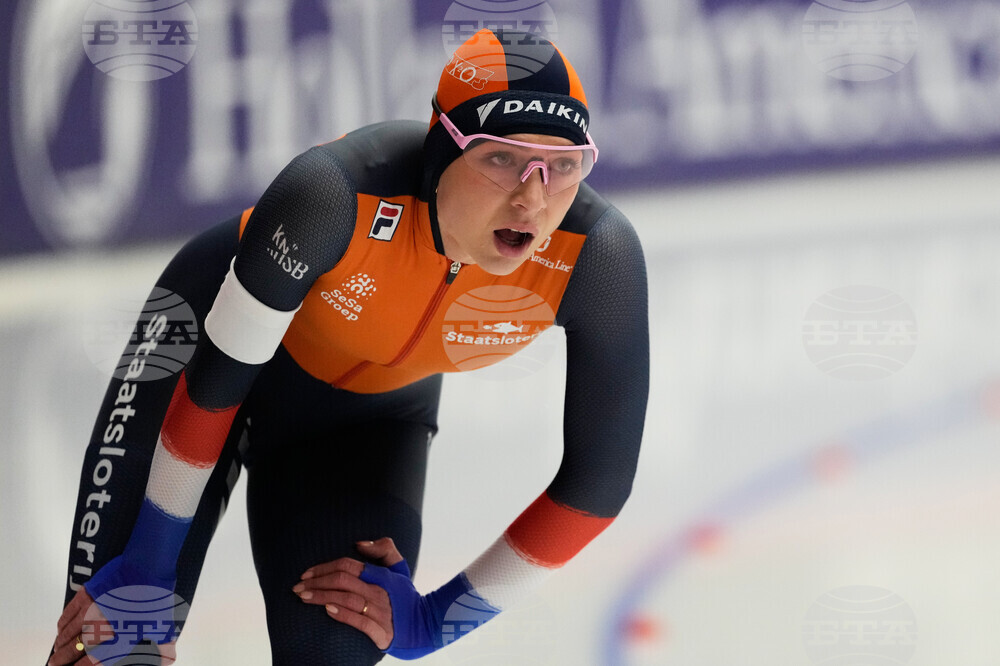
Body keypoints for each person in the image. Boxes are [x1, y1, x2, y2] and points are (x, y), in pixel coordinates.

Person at [48, 27, 649, 665]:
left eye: (563, 166)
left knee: (335, 651)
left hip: (357, 430)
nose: (533, 197)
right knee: (108, 653)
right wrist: (146, 564)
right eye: (501, 157)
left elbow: (597, 484)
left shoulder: (596, 257)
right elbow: (213, 387)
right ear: (439, 151)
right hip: (201, 365)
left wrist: (437, 621)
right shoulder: (333, 197)